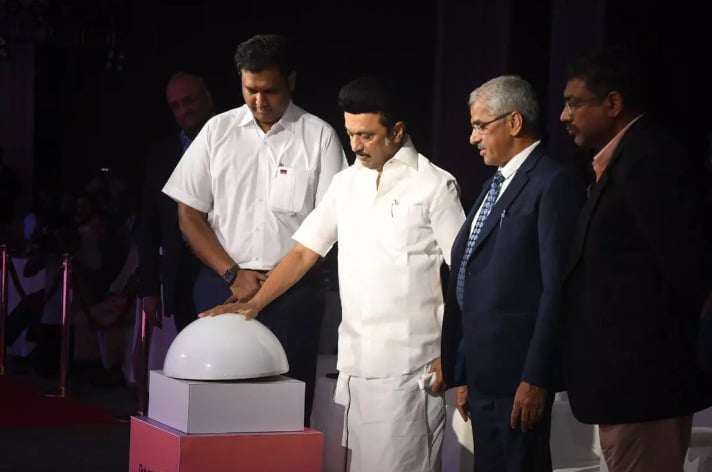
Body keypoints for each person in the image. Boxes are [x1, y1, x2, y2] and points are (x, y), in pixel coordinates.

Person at [200, 76, 465, 472]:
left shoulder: (434, 186)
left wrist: (453, 352)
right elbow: (304, 252)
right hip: (354, 368)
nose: (355, 145)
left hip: (411, 369)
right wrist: (253, 304)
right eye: (350, 133)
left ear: (396, 131)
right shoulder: (346, 183)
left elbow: (465, 273)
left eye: (367, 136)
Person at [162, 34, 348, 425]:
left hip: (293, 293)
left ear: (291, 81)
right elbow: (188, 214)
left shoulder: (319, 136)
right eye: (251, 90)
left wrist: (269, 286)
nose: (260, 101)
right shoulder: (217, 131)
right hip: (221, 284)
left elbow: (328, 227)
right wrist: (233, 273)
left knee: (288, 407)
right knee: (216, 404)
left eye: (270, 90)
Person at [559, 47, 712, 471]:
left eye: (574, 103)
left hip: (644, 387)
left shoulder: (649, 159)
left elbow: (686, 267)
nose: (564, 116)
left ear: (613, 103)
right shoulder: (623, 161)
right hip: (626, 387)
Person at [440, 75, 586, 472]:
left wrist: (537, 376)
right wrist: (464, 370)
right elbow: (471, 277)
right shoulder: (496, 184)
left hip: (519, 377)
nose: (472, 138)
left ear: (514, 122)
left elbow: (556, 288)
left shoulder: (552, 183)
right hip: (483, 375)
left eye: (480, 126)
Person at [138, 72, 213, 334]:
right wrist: (149, 289)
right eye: (175, 105)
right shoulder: (162, 155)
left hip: (228, 270)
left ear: (207, 99)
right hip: (181, 276)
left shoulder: (235, 143)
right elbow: (149, 224)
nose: (183, 110)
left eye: (188, 101)